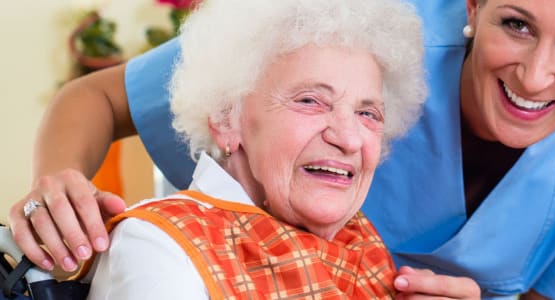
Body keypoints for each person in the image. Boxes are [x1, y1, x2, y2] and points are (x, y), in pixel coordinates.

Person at [10, 0, 555, 299]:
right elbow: (97, 97)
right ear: (473, 5)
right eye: (516, 25)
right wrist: (59, 195)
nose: (534, 75)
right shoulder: (340, 28)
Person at [83, 0, 426, 298]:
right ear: (226, 118)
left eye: (368, 113)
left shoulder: (360, 244)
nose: (349, 139)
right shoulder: (158, 245)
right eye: (310, 101)